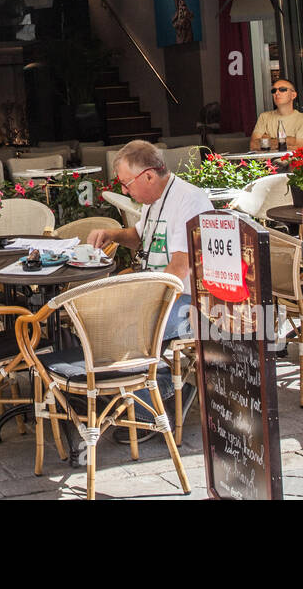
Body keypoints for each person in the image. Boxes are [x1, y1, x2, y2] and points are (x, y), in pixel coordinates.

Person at [86, 140, 211, 423]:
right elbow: (142, 235)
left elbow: (180, 267)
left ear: (149, 176)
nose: (124, 190)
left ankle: (153, 406)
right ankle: (147, 392)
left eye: (126, 183)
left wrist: (142, 305)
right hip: (157, 292)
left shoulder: (189, 200)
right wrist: (114, 234)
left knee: (120, 329)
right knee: (94, 318)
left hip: (187, 301)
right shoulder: (154, 199)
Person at [250, 78, 303, 151]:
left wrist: (267, 141)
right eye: (274, 90)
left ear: (293, 95)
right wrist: (289, 140)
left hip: (290, 161)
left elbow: (300, 147)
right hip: (265, 162)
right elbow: (253, 145)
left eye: (282, 89)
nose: (277, 93)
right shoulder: (264, 117)